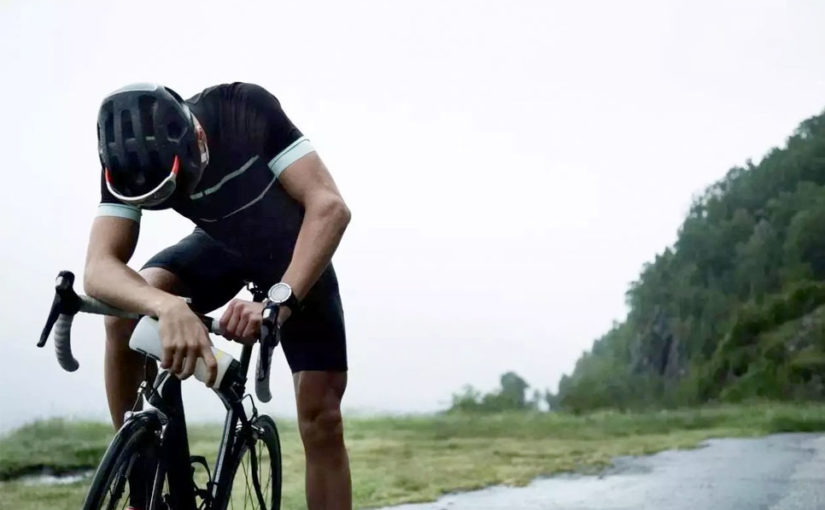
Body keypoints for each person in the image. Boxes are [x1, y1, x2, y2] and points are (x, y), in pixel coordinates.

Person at [85, 82, 352, 510]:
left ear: (197, 139)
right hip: (219, 248)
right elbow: (99, 268)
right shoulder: (128, 162)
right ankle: (142, 485)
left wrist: (279, 302)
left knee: (322, 419)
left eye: (175, 187)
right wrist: (166, 306)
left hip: (294, 254)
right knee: (122, 315)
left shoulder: (242, 110)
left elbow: (329, 207)